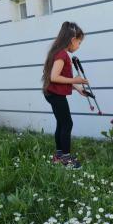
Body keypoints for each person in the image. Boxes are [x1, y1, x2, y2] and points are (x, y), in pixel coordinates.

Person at [42, 22, 87, 169]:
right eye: (79, 42)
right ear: (72, 40)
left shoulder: (57, 52)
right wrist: (75, 79)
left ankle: (59, 156)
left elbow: (59, 78)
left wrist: (77, 88)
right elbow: (55, 77)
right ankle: (66, 160)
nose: (79, 46)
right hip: (55, 94)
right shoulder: (62, 54)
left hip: (52, 93)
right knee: (67, 123)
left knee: (61, 123)